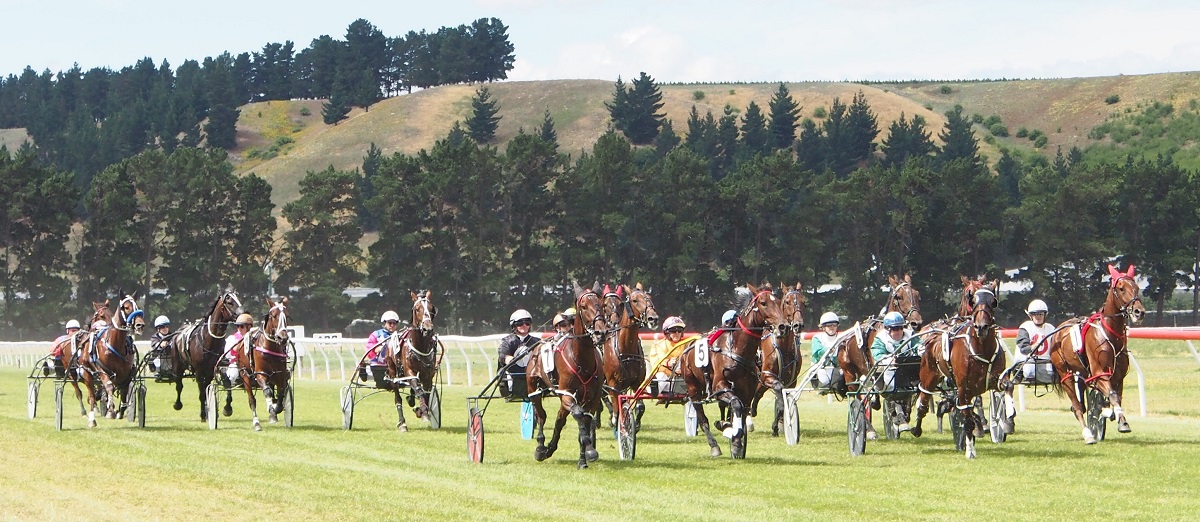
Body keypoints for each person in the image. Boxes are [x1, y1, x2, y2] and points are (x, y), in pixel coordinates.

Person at [645, 316, 698, 396]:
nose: (677, 333)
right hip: (665, 381)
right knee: (661, 375)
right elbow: (656, 364)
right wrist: (668, 363)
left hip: (682, 380)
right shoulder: (658, 345)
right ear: (667, 332)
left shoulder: (687, 344)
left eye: (679, 331)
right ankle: (653, 390)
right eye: (673, 331)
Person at [870, 311, 919, 392]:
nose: (899, 331)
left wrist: (921, 349)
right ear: (887, 329)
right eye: (895, 329)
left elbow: (918, 344)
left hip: (907, 369)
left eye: (901, 328)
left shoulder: (910, 335)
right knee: (880, 368)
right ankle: (881, 387)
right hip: (887, 369)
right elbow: (877, 352)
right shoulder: (880, 338)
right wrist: (888, 360)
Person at [497, 309, 539, 398]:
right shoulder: (507, 341)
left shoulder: (537, 342)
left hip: (533, 375)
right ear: (514, 325)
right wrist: (509, 359)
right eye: (520, 323)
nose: (524, 325)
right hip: (514, 375)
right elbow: (503, 356)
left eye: (527, 323)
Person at [1015, 299, 1055, 383]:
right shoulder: (1025, 327)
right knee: (1029, 370)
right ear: (1030, 316)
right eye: (1035, 314)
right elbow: (1023, 348)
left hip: (1047, 362)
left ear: (1045, 315)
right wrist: (1033, 347)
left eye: (1041, 314)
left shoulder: (1051, 328)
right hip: (1028, 362)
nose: (1038, 317)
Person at [360, 311, 401, 382]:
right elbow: (370, 350)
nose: (392, 325)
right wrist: (377, 349)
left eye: (394, 323)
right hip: (379, 366)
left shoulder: (400, 336)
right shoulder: (376, 334)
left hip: (396, 366)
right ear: (384, 323)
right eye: (390, 323)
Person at [809, 312, 843, 388]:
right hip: (821, 368)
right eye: (829, 325)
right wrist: (827, 350)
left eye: (834, 325)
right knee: (824, 381)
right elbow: (817, 354)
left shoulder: (841, 338)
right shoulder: (817, 338)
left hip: (837, 369)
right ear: (823, 327)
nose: (832, 327)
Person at [222, 313, 254, 385]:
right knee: (234, 368)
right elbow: (228, 355)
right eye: (237, 326)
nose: (239, 329)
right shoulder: (233, 338)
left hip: (252, 363)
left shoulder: (255, 338)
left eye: (242, 326)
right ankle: (228, 381)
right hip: (238, 363)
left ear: (249, 327)